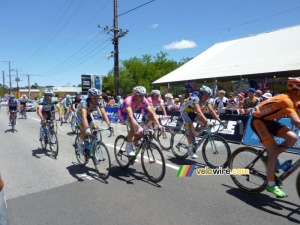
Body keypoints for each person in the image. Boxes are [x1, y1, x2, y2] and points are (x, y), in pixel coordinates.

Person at [251, 77, 300, 198]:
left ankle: (272, 158)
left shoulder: (297, 101)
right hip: (258, 121)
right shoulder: (287, 101)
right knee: (273, 151)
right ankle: (271, 183)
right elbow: (297, 123)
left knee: (293, 138)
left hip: (269, 120)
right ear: (295, 90)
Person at [181, 86, 223, 159]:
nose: (207, 98)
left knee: (204, 124)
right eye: (206, 96)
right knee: (191, 131)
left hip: (191, 113)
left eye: (208, 97)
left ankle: (195, 134)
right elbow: (199, 112)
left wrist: (219, 120)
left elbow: (211, 111)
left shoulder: (206, 100)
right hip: (185, 112)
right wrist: (207, 121)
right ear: (201, 94)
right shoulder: (195, 99)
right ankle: (190, 150)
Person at [118, 86, 161, 157]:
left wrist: (159, 124)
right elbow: (131, 117)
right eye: (140, 96)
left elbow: (152, 113)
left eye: (144, 95)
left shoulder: (144, 100)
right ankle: (128, 147)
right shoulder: (128, 101)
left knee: (139, 134)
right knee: (133, 126)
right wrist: (138, 127)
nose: (143, 97)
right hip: (123, 113)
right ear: (135, 95)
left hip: (131, 113)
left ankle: (133, 149)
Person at [75, 88, 113, 158]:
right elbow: (84, 117)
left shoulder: (99, 102)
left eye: (98, 98)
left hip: (88, 114)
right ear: (90, 97)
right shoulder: (84, 102)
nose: (96, 100)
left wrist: (109, 125)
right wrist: (87, 128)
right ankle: (80, 143)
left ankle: (92, 148)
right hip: (79, 115)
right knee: (84, 129)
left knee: (95, 129)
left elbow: (104, 113)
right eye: (94, 98)